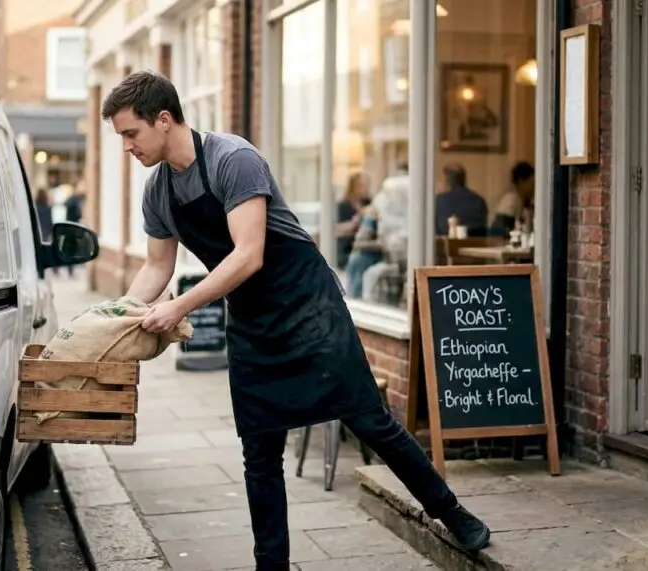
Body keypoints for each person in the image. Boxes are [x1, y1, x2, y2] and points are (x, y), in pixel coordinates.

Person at [101, 71, 491, 571]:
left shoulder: (231, 159)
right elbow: (157, 267)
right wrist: (119, 320)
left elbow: (248, 255)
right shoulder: (158, 192)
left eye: (131, 134)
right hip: (253, 320)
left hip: (307, 302)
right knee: (259, 451)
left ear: (163, 119)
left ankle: (452, 514)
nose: (127, 147)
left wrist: (179, 307)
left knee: (371, 419)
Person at [434, 163, 488, 237]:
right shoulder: (478, 200)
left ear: (447, 181)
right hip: (474, 245)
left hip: (446, 246)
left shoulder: (440, 201)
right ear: (464, 179)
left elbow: (437, 229)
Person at [335, 171, 371, 269]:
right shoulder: (344, 205)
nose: (367, 188)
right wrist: (356, 220)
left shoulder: (368, 203)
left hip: (366, 247)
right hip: (348, 249)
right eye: (363, 185)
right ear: (355, 186)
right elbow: (337, 228)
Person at [491, 161, 534, 234]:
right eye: (531, 182)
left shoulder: (524, 200)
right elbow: (501, 230)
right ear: (521, 181)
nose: (533, 186)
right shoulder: (511, 199)